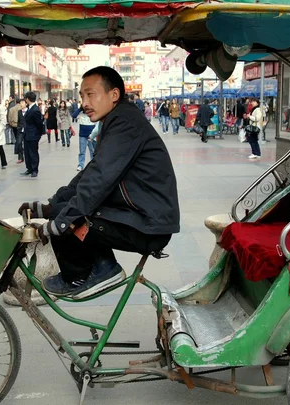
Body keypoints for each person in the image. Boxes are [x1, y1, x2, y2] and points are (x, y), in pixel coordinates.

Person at [17, 66, 180, 299]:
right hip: (138, 212)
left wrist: (61, 221)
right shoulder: (115, 119)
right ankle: (100, 266)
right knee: (66, 212)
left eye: (90, 94)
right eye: (82, 96)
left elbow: (99, 178)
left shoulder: (125, 123)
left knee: (70, 221)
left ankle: (86, 274)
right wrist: (52, 205)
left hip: (148, 223)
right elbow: (91, 172)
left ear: (114, 95)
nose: (84, 102)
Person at [21, 91, 43, 178]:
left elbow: (39, 124)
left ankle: (34, 169)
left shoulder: (35, 110)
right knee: (27, 152)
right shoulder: (30, 108)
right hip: (27, 134)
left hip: (33, 134)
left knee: (33, 152)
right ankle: (29, 168)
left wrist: (39, 134)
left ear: (27, 99)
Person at [72, 106, 96, 171]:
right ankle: (80, 165)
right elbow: (73, 115)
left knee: (93, 151)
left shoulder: (92, 113)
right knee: (82, 151)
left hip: (92, 135)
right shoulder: (80, 113)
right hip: (82, 135)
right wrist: (80, 109)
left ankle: (93, 165)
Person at [16, 98, 26, 164]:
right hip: (20, 130)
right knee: (19, 143)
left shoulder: (28, 111)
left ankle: (26, 156)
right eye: (20, 103)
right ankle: (20, 157)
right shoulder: (19, 112)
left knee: (26, 144)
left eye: (22, 103)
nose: (21, 104)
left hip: (27, 130)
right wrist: (18, 127)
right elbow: (18, 120)